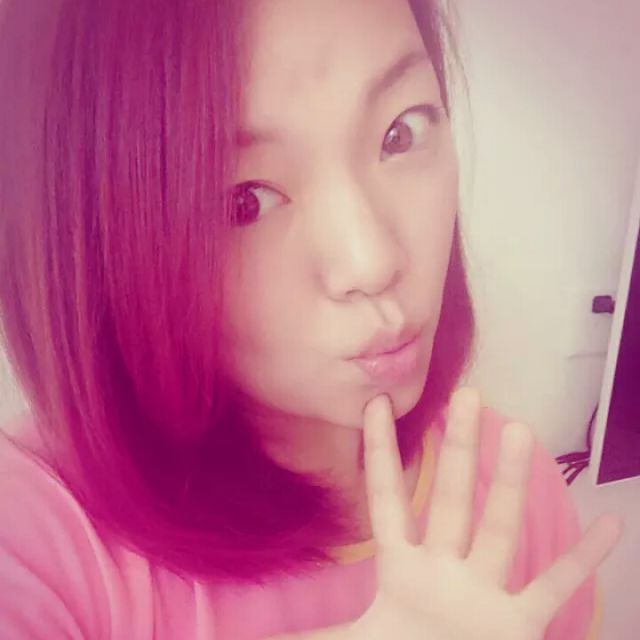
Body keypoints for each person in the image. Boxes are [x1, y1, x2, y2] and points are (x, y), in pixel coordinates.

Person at [0, 0, 620, 638]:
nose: (372, 261)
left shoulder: (513, 488)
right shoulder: (36, 537)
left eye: (400, 133)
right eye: (244, 201)